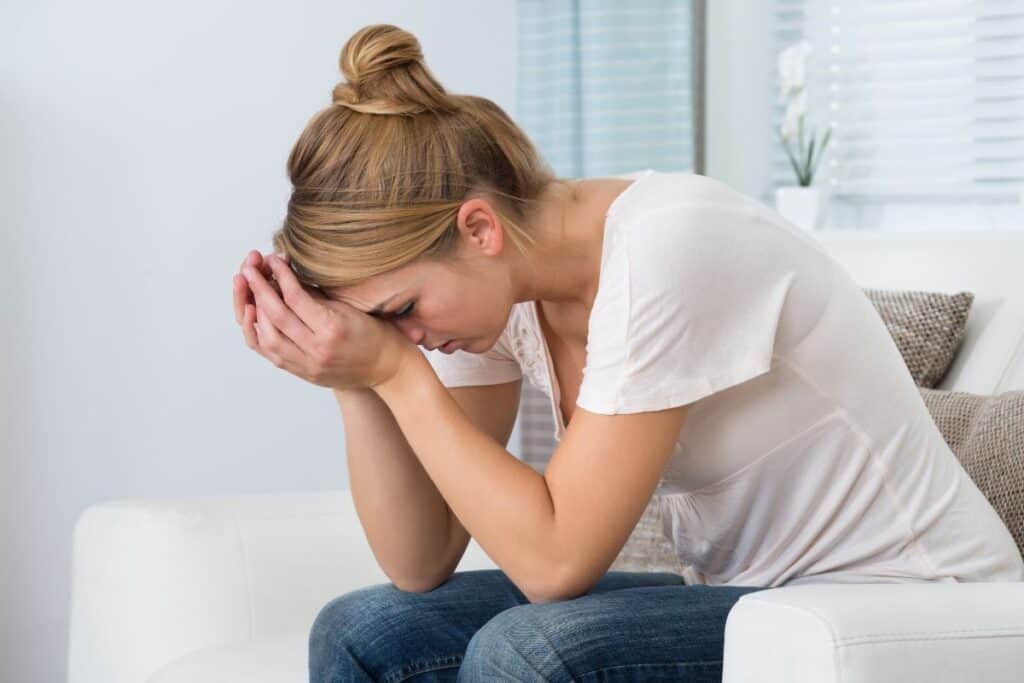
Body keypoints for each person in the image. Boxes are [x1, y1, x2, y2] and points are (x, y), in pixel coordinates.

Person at [231, 23, 1024, 683]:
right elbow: (420, 557)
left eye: (400, 310)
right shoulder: (493, 294)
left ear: (479, 228)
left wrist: (397, 376)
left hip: (905, 606)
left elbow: (555, 562)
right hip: (755, 599)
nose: (408, 337)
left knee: (531, 653)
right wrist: (351, 380)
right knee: (366, 628)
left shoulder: (668, 242)